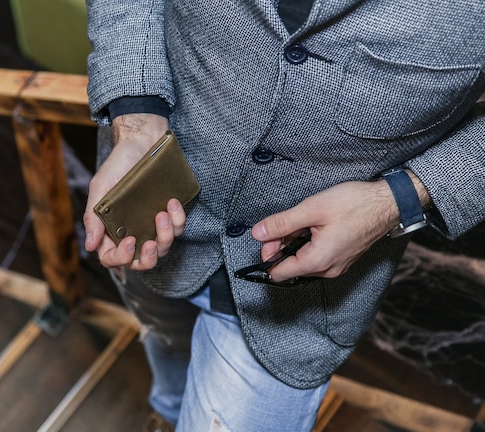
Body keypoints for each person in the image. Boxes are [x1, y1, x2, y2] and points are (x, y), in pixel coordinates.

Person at [83, 0, 485, 430]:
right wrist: (135, 118)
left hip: (303, 295)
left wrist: (396, 200)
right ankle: (167, 414)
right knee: (165, 353)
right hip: (150, 221)